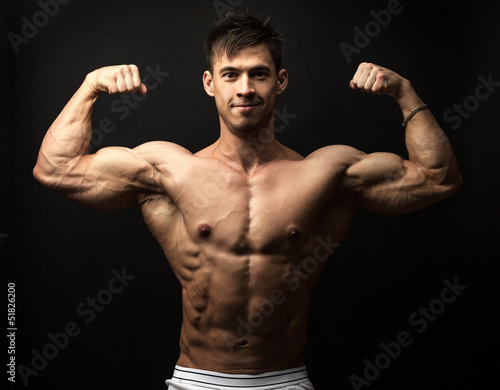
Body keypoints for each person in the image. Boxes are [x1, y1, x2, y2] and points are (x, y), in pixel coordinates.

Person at [33, 11, 462, 390]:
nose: (245, 88)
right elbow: (55, 168)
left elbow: (438, 179)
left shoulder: (325, 173)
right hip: (197, 380)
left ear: (281, 80)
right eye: (230, 74)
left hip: (284, 380)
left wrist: (404, 91)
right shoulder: (169, 171)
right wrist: (90, 88)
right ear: (209, 83)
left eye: (259, 73)